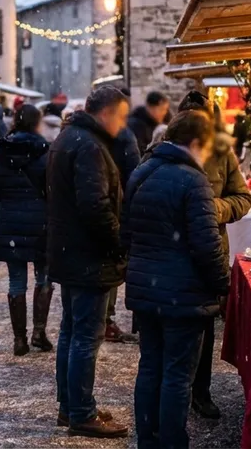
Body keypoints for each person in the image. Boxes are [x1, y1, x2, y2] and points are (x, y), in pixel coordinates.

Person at [123, 110, 229, 449]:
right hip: (183, 296)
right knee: (177, 375)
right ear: (196, 143)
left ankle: (148, 440)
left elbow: (128, 233)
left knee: (151, 366)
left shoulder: (142, 172)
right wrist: (223, 286)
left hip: (147, 290)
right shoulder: (193, 181)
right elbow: (206, 246)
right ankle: (171, 442)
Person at [47, 86, 131, 438]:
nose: (123, 124)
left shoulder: (70, 138)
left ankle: (71, 405)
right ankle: (80, 411)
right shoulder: (89, 146)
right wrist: (117, 243)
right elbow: (95, 206)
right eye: (121, 116)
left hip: (70, 251)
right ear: (106, 113)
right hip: (87, 255)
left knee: (72, 331)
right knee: (84, 335)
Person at [176, 92, 251, 419]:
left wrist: (212, 210)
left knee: (204, 329)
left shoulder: (221, 153)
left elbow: (242, 198)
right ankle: (173, 397)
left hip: (208, 251)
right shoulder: (164, 151)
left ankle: (201, 391)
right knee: (172, 331)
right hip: (172, 253)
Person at [0, 104, 52, 356]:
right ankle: (39, 332)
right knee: (43, 276)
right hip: (40, 221)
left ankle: (19, 339)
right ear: (37, 123)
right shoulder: (45, 152)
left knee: (17, 281)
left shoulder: (2, 151)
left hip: (10, 220)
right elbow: (52, 188)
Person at [104, 89, 143, 345]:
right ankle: (105, 319)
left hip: (92, 214)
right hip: (114, 210)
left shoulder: (80, 136)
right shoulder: (123, 136)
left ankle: (103, 319)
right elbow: (134, 176)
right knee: (111, 266)